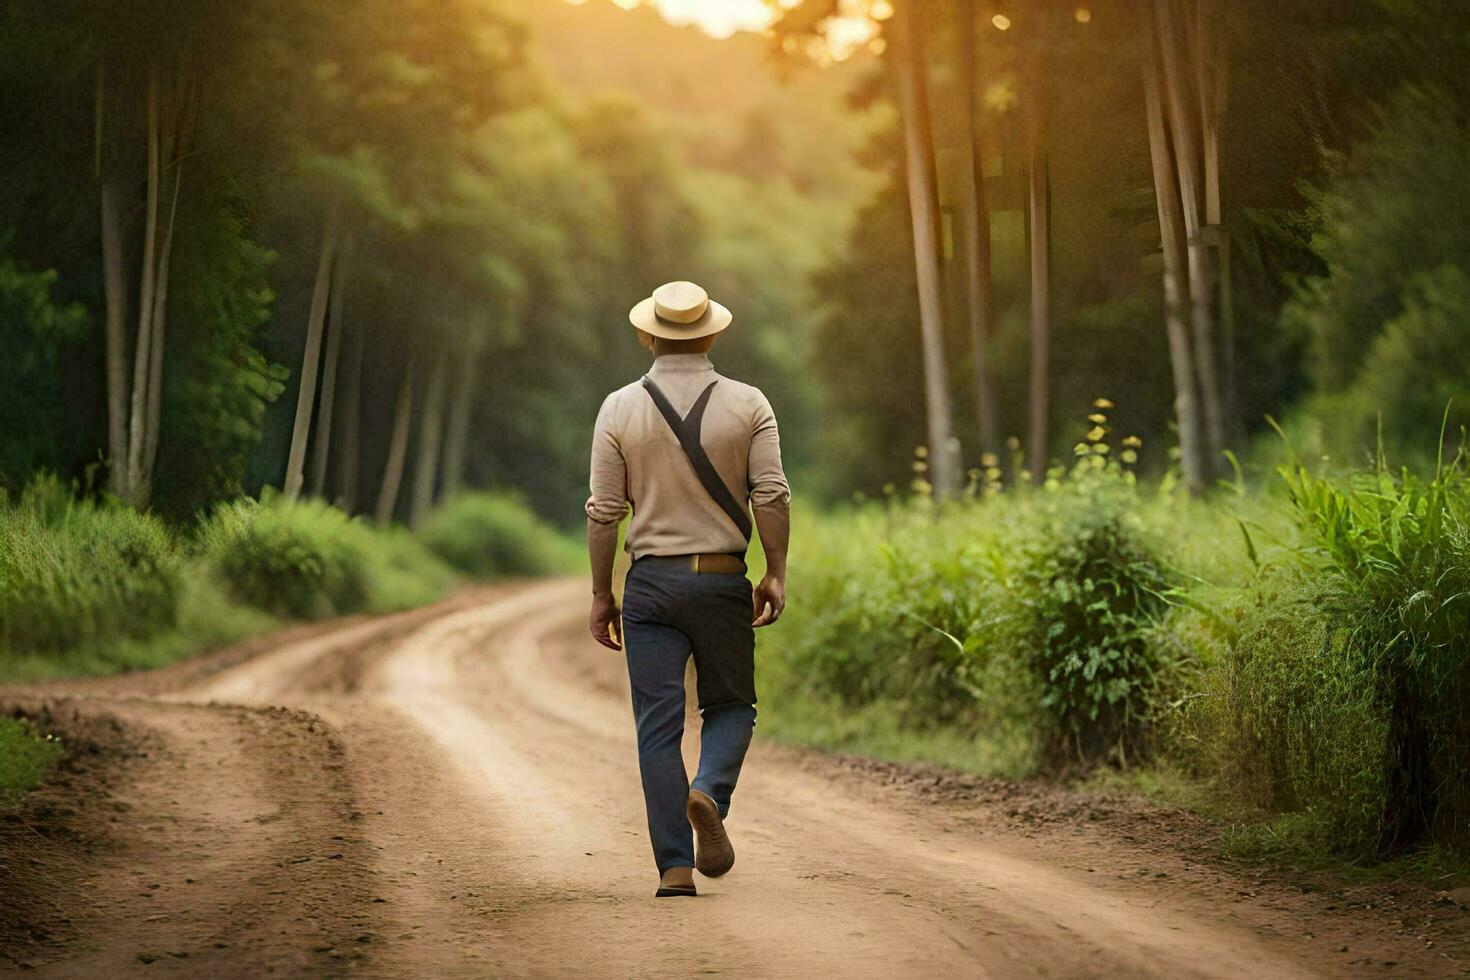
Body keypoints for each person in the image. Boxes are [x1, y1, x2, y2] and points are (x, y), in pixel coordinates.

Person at [585, 280, 791, 898]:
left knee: (657, 727)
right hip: (722, 579)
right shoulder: (749, 404)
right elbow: (772, 495)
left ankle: (674, 867)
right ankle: (708, 793)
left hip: (649, 586)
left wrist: (602, 592)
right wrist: (775, 570)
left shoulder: (618, 408)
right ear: (712, 334)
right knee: (731, 708)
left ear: (648, 334)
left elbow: (603, 512)